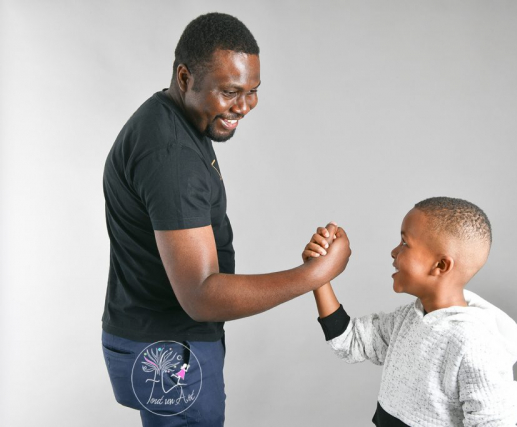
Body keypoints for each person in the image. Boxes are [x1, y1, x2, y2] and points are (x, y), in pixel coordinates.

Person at [101, 12, 350, 426]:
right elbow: (201, 296)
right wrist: (318, 273)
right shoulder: (172, 158)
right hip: (170, 353)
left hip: (155, 341)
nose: (245, 106)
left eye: (253, 91)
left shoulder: (171, 118)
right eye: (231, 91)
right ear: (184, 78)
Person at [303, 197, 517, 426]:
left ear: (441, 265)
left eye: (404, 243)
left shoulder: (475, 344)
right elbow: (351, 342)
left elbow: (493, 421)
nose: (393, 251)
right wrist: (318, 276)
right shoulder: (408, 318)